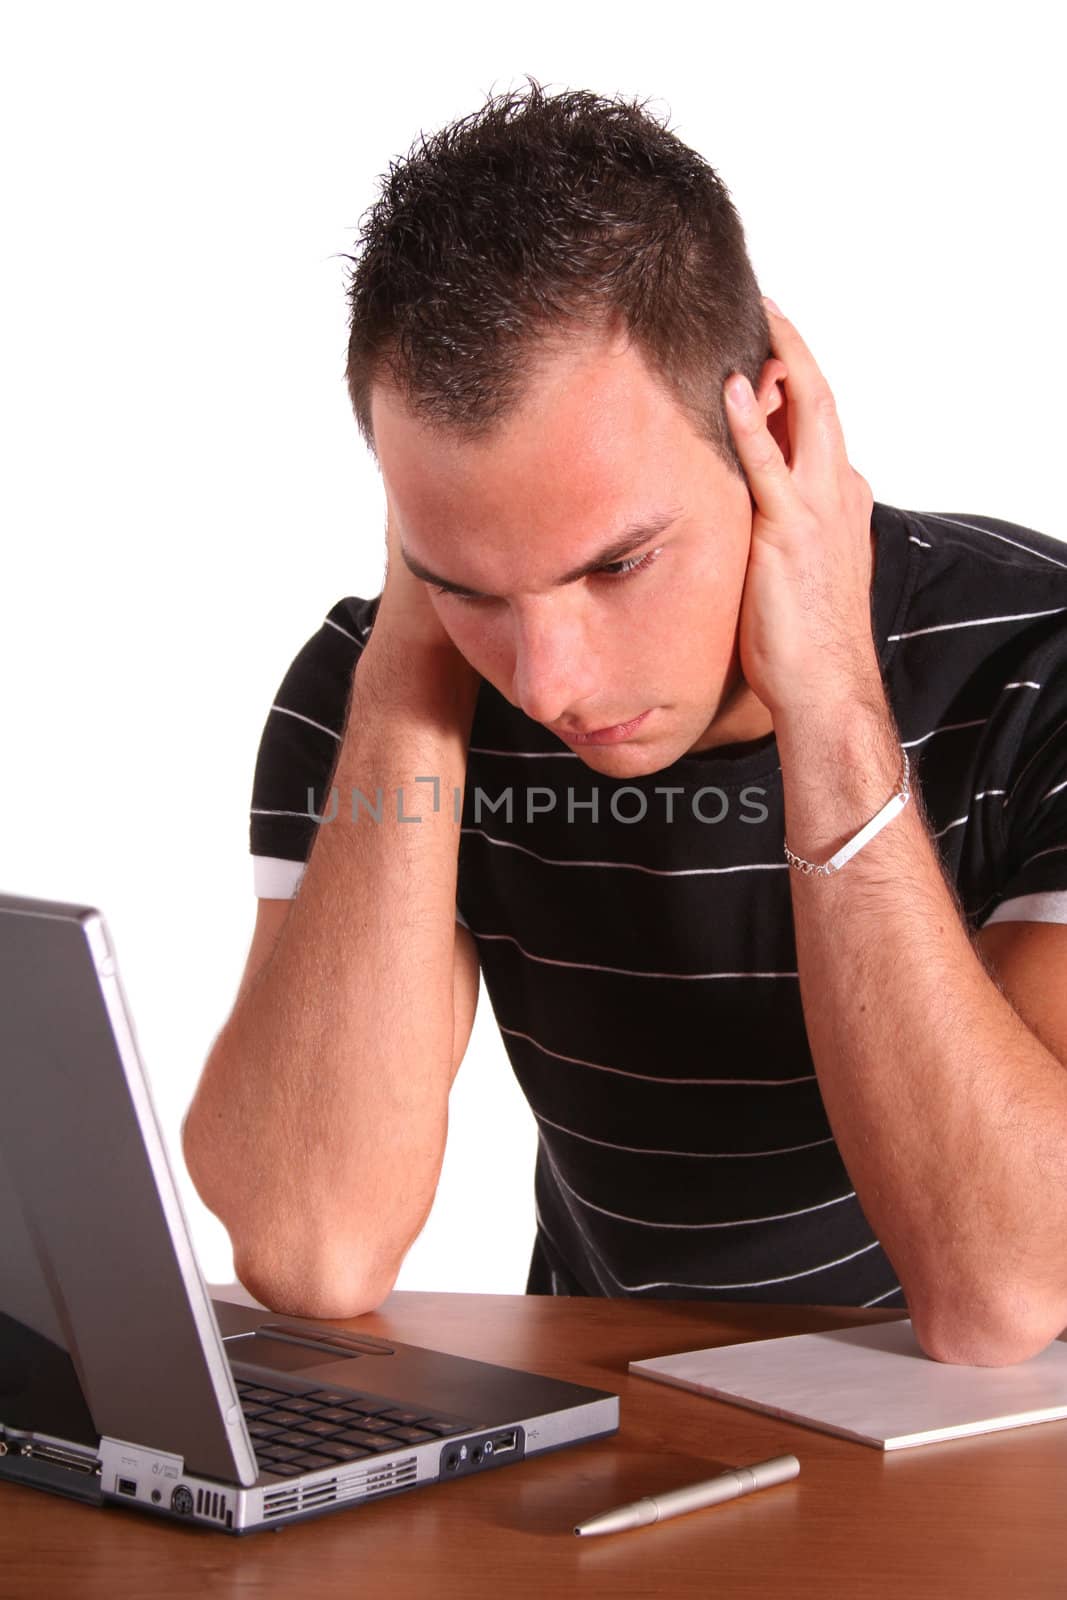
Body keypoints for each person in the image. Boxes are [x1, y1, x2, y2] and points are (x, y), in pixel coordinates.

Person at [182, 79, 1067, 1367]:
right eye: (469, 583)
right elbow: (313, 1240)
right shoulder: (388, 691)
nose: (547, 679)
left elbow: (1004, 1293)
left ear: (769, 429)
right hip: (632, 1428)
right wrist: (410, 678)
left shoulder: (1034, 667)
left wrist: (826, 690)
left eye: (615, 566)